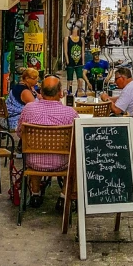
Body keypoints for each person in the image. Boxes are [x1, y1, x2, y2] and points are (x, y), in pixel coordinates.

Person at [17, 75, 77, 209]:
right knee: (77, 157)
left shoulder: (28, 109)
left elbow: (20, 133)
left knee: (35, 150)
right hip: (61, 163)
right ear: (60, 93)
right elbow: (76, 139)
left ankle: (35, 194)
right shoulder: (70, 113)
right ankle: (63, 197)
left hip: (33, 162)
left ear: (41, 92)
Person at [64, 27, 84, 94]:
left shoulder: (81, 39)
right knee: (70, 79)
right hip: (70, 61)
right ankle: (69, 92)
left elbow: (82, 51)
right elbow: (65, 50)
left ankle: (79, 91)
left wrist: (83, 62)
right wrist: (67, 60)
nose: (75, 31)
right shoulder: (67, 39)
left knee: (80, 78)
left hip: (79, 62)